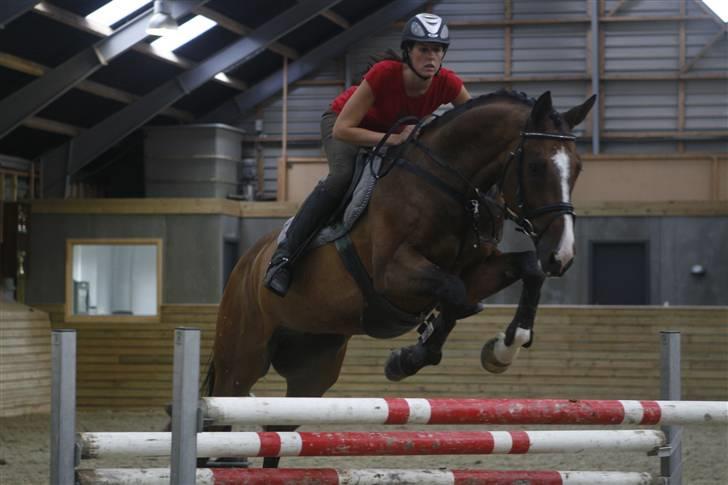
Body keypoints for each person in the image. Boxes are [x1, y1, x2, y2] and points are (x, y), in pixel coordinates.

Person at [264, 13, 472, 296]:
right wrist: (396, 138)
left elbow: (473, 121)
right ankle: (284, 258)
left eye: (437, 50)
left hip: (390, 135)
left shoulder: (448, 83)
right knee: (341, 177)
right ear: (408, 51)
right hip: (345, 124)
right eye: (423, 49)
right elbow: (342, 130)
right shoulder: (385, 74)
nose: (431, 57)